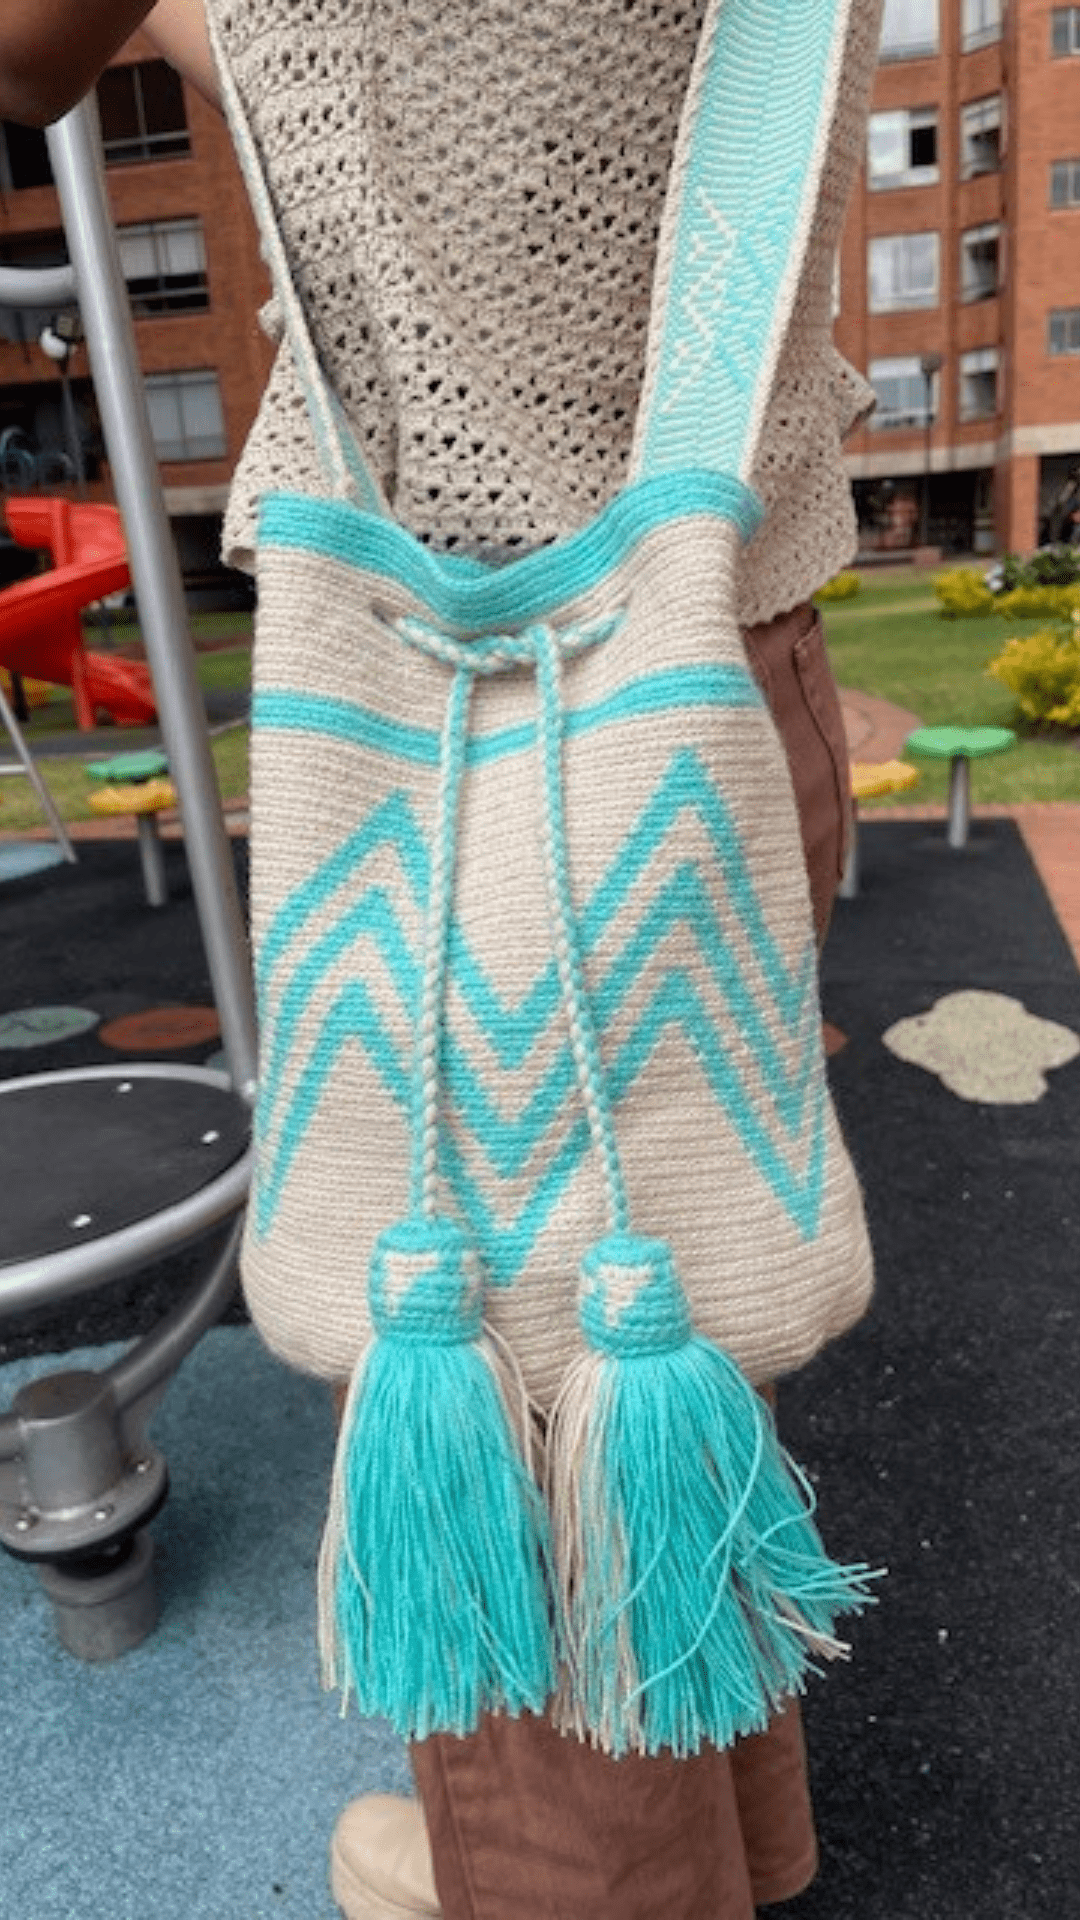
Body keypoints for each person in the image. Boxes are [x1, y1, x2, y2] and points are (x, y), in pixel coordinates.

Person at [0, 3, 882, 1915]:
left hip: (460, 752)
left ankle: (577, 1880)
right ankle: (733, 1846)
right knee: (666, 1329)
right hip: (727, 672)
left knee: (506, 1388)